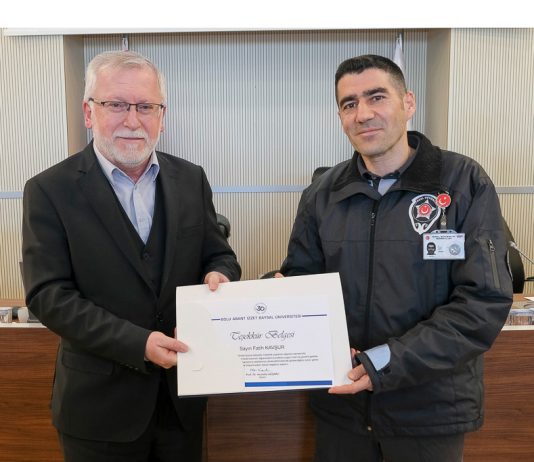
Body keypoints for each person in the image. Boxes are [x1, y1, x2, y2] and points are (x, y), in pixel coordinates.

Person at [279, 55, 512, 462]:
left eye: (376, 97)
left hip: (429, 413)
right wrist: (274, 296)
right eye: (349, 104)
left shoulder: (463, 183)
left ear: (408, 103)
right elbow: (302, 280)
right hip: (343, 411)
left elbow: (483, 303)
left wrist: (383, 362)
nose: (363, 114)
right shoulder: (322, 194)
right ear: (340, 116)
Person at [21, 50, 241, 462]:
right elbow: (48, 296)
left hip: (182, 404)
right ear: (89, 112)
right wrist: (138, 343)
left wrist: (220, 276)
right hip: (98, 413)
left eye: (145, 106)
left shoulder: (191, 179)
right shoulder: (49, 190)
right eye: (116, 105)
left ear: (162, 116)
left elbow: (220, 255)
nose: (133, 120)